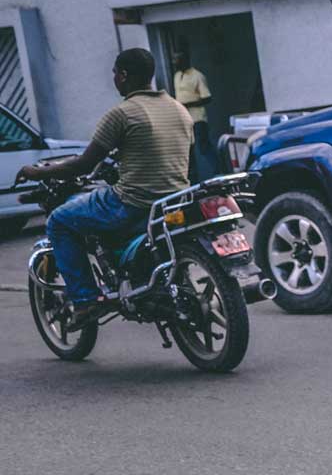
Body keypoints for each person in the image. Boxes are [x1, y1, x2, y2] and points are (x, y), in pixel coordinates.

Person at [19, 49, 193, 329]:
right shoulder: (178, 108)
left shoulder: (122, 113)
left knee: (60, 221)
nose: (114, 78)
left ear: (123, 76)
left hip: (131, 204)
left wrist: (36, 172)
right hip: (174, 201)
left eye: (115, 72)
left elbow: (84, 165)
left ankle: (86, 301)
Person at [173, 50, 215, 181]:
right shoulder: (177, 75)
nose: (174, 62)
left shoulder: (197, 76)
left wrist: (188, 104)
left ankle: (218, 171)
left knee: (203, 147)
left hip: (197, 118)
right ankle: (193, 178)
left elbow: (207, 98)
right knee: (187, 149)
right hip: (183, 120)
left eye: (177, 60)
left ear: (185, 60)